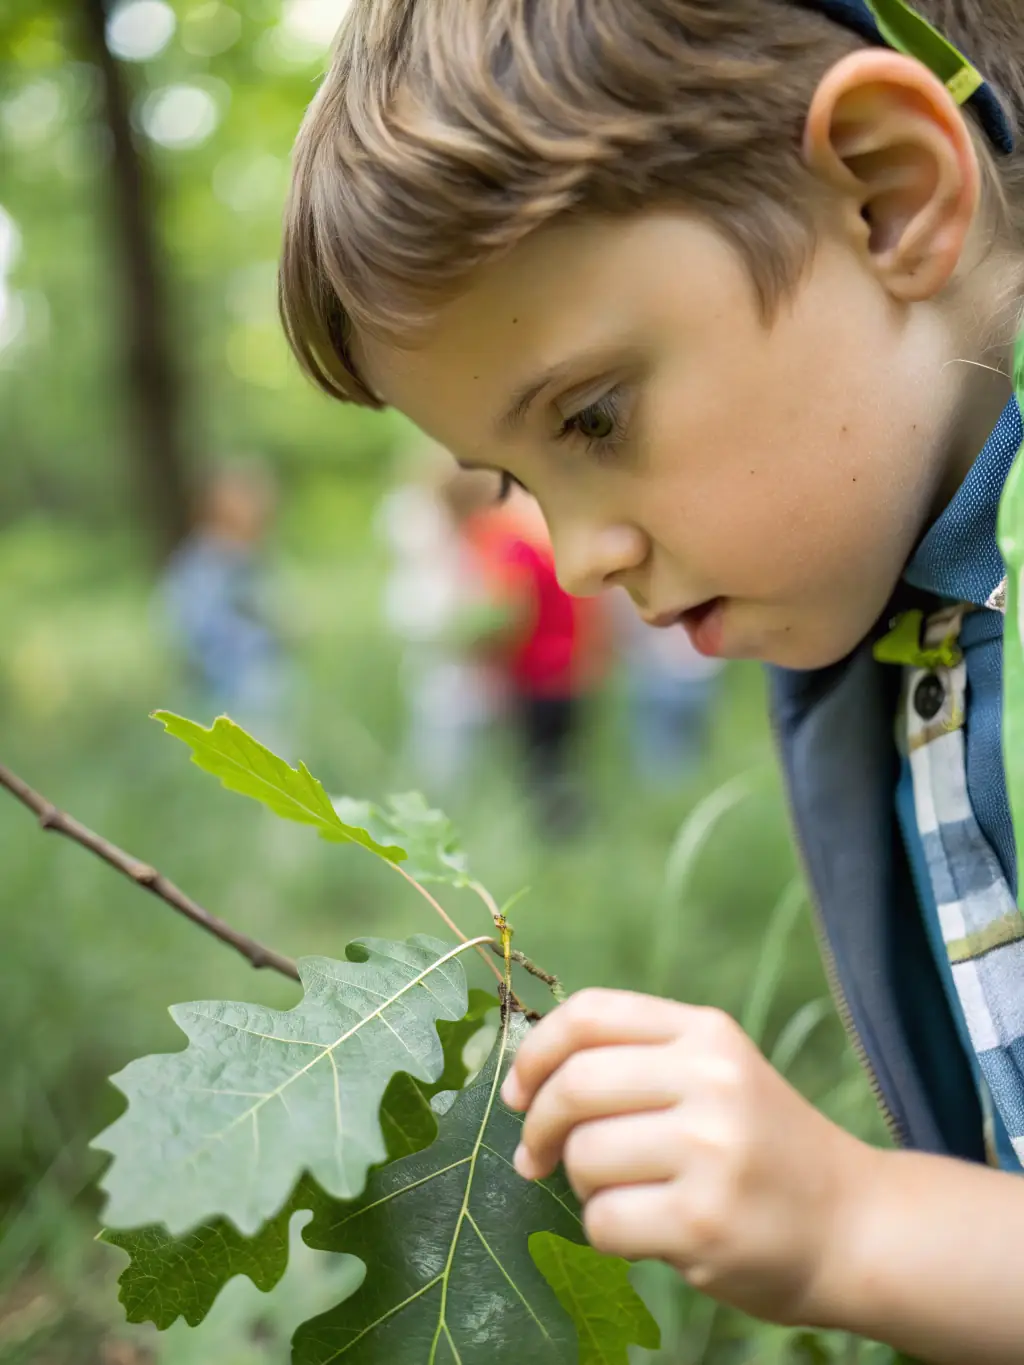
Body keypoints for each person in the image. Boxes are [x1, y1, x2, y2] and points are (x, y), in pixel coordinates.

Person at [278, 1, 1024, 1357]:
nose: (573, 557)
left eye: (593, 417)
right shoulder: (906, 613)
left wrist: (862, 1226)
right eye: (513, 481)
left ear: (888, 197)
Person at [159, 459, 293, 745]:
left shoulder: (249, 560)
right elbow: (186, 628)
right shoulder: (204, 567)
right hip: (228, 697)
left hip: (264, 694)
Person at [613, 587, 724, 784]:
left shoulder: (631, 590)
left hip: (662, 673)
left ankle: (675, 791)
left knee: (663, 749)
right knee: (682, 747)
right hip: (688, 671)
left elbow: (625, 630)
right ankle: (683, 790)